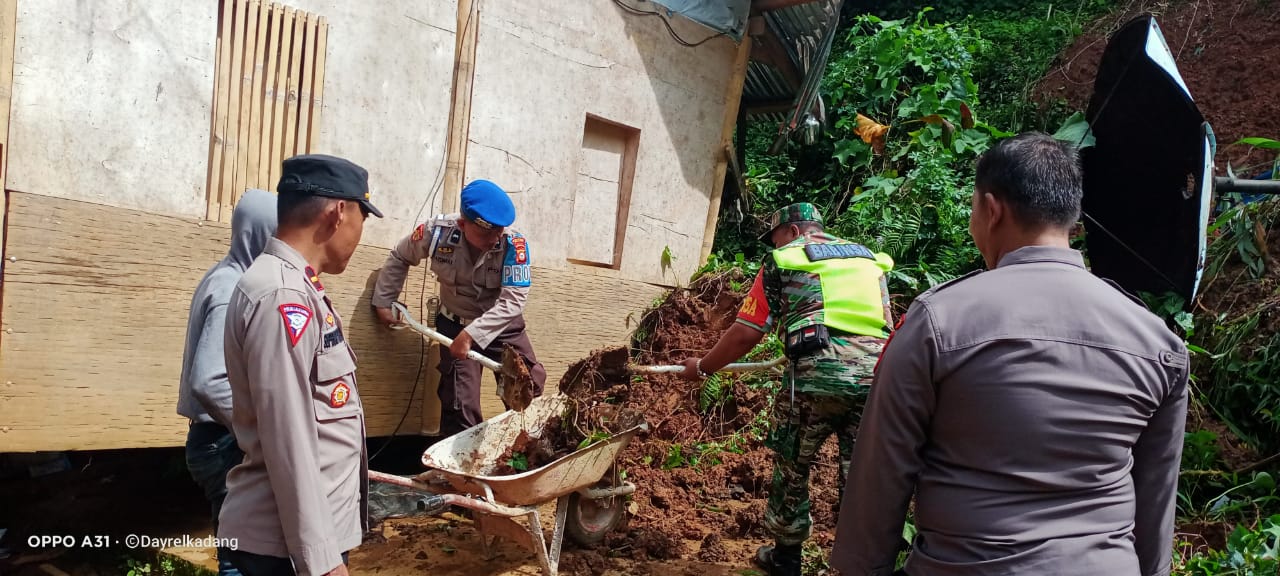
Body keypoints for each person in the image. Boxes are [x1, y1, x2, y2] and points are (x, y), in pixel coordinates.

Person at [832, 132, 1188, 576]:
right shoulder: (1158, 342)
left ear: (991, 209)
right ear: (1070, 218)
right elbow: (1156, 495)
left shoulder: (939, 320)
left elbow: (881, 473)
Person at [677, 202, 894, 576]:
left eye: (776, 237)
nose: (774, 245)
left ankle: (787, 559)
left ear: (793, 232)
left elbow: (747, 331)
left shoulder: (784, 259)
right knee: (862, 472)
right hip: (876, 377)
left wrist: (703, 368)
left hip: (814, 375)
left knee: (793, 465)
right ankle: (863, 563)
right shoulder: (868, 260)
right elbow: (888, 324)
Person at [219, 154, 383, 576]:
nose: (359, 235)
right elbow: (287, 437)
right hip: (283, 554)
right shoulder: (281, 296)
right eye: (363, 219)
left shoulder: (297, 287)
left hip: (294, 545)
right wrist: (322, 561)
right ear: (338, 212)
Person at [371, 179, 546, 437]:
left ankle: (527, 456)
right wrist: (384, 301)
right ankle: (464, 470)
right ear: (463, 225)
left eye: (499, 230)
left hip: (503, 328)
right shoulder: (437, 233)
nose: (495, 238)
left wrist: (472, 334)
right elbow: (401, 255)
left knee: (527, 390)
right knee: (460, 406)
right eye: (487, 233)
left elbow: (513, 301)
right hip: (454, 325)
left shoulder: (513, 245)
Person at [177, 188, 277, 576]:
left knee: (239, 542)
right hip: (221, 442)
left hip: (215, 441)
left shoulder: (226, 274)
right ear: (261, 234)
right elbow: (208, 379)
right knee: (242, 550)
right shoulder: (231, 288)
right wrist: (253, 428)